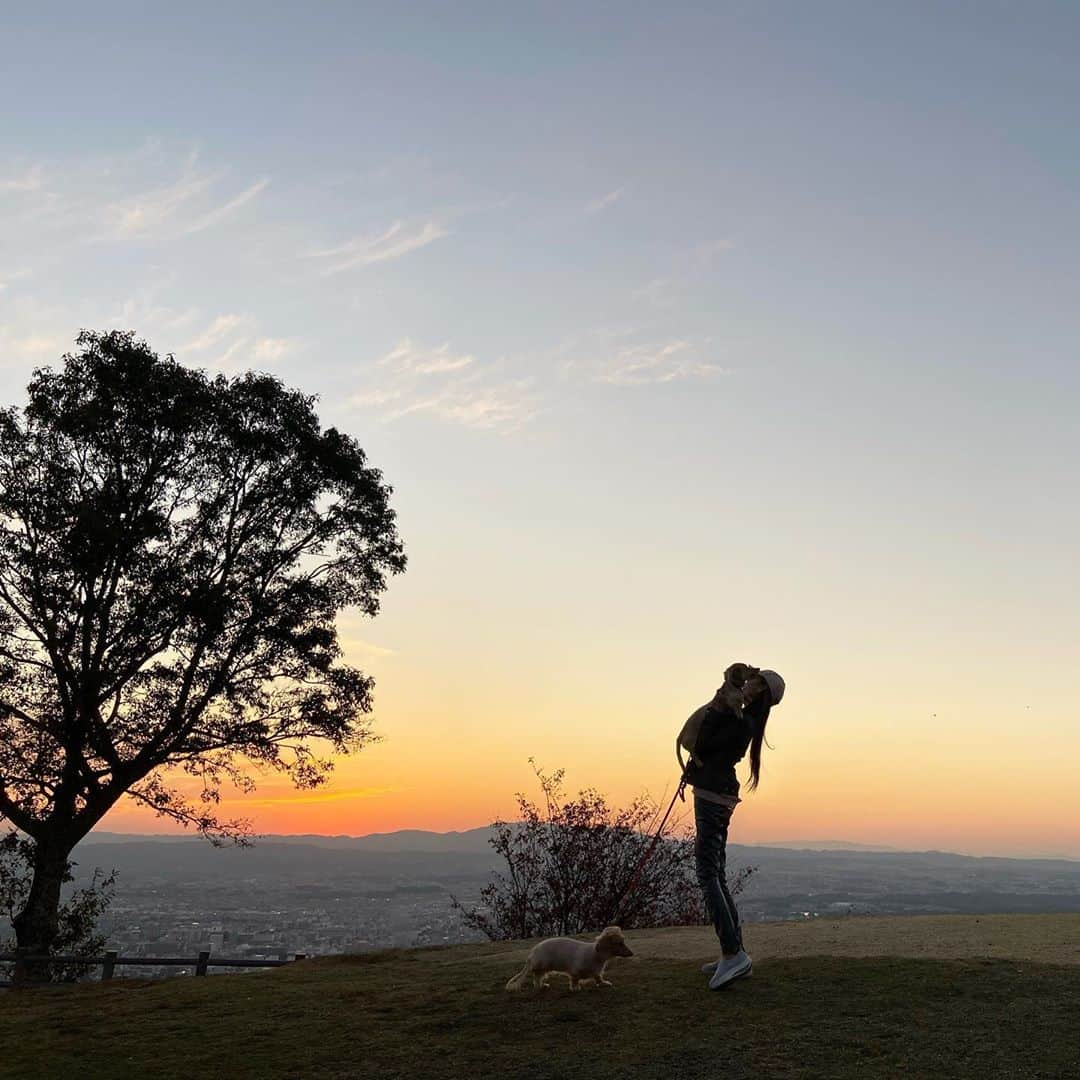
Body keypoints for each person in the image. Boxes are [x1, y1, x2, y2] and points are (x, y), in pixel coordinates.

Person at [682, 663, 785, 990]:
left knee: (706, 872)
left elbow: (706, 742)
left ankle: (733, 954)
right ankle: (734, 950)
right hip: (716, 792)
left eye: (755, 680)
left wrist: (718, 705)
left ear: (761, 690)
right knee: (716, 873)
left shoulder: (742, 722)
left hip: (713, 795)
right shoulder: (747, 721)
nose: (749, 682)